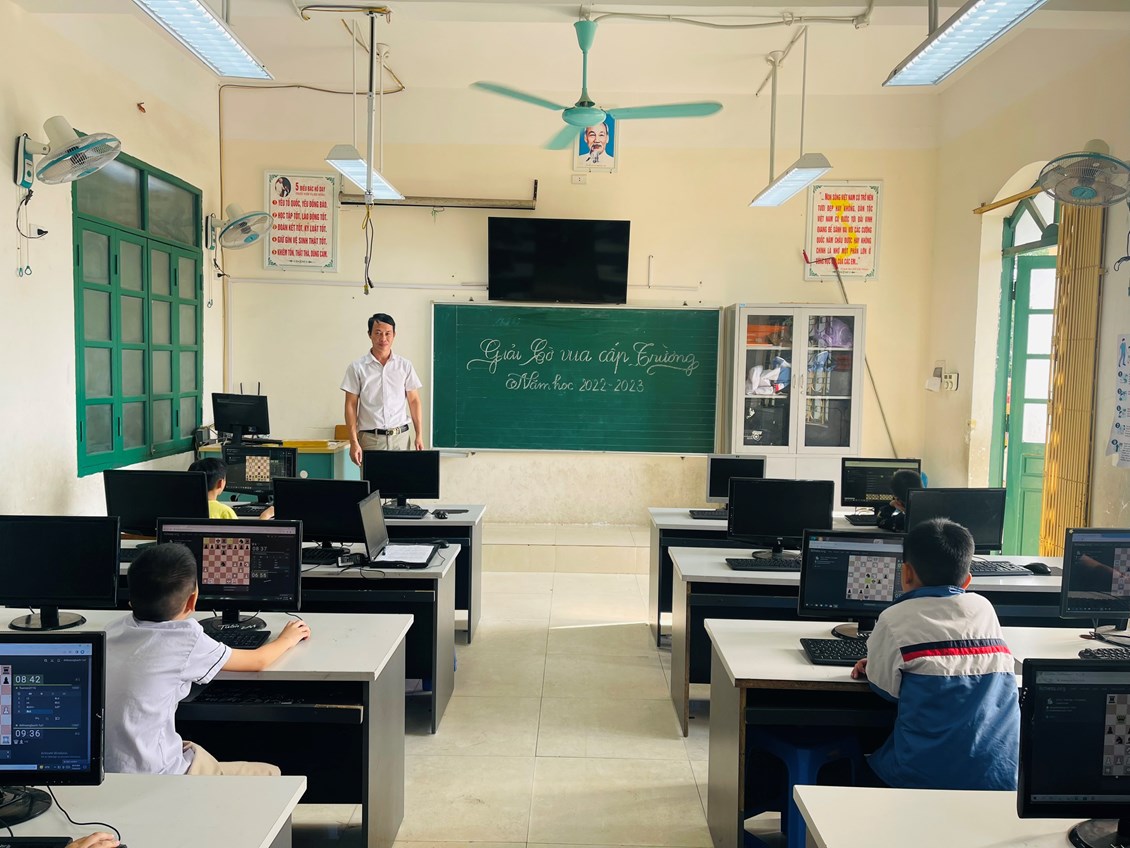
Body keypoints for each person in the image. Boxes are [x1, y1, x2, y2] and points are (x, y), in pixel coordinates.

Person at [104, 543, 311, 775]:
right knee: (270, 774)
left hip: (105, 771)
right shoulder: (185, 639)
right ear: (192, 601)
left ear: (131, 598)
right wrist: (287, 638)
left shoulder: (112, 630)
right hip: (157, 775)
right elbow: (257, 661)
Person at [851, 518, 1019, 790]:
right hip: (999, 778)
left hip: (923, 779)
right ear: (967, 580)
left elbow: (886, 690)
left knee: (863, 759)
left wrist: (878, 664)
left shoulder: (894, 618)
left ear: (906, 573)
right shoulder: (984, 608)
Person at [341, 312, 424, 464]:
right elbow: (350, 405)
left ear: (394, 335)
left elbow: (414, 401)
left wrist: (419, 434)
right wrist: (353, 442)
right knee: (373, 479)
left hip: (400, 439)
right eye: (378, 333)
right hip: (370, 440)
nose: (383, 338)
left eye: (387, 333)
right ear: (369, 334)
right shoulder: (357, 367)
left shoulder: (404, 366)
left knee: (402, 479)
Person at [187, 457, 274, 520]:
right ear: (220, 483)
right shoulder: (225, 512)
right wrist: (264, 516)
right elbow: (242, 537)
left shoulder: (184, 508)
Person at [875, 468, 924, 532]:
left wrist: (891, 505)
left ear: (896, 497)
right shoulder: (926, 510)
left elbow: (880, 520)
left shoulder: (901, 520)